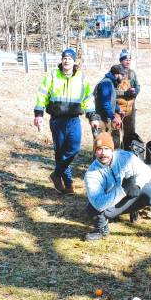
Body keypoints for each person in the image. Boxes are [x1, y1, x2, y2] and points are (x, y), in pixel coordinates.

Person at [83, 132, 151, 242]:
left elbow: (146, 171)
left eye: (106, 149)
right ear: (95, 152)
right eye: (99, 149)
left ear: (112, 149)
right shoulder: (91, 173)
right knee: (92, 207)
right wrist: (122, 190)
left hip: (131, 198)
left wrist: (137, 185)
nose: (103, 153)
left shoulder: (125, 157)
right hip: (110, 206)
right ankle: (101, 230)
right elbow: (99, 204)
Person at [34, 48, 100, 195]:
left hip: (73, 119)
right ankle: (68, 183)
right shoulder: (52, 76)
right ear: (61, 60)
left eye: (70, 58)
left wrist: (93, 116)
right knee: (60, 152)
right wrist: (39, 114)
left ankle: (56, 174)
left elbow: (88, 99)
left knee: (74, 148)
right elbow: (42, 95)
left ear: (74, 61)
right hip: (57, 120)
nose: (66, 60)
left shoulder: (81, 78)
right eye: (64, 58)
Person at [94, 64, 125, 148]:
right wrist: (113, 116)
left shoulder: (110, 83)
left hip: (105, 117)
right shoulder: (106, 83)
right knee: (101, 144)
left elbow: (112, 100)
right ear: (117, 74)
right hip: (101, 119)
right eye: (122, 76)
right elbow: (105, 103)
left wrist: (118, 110)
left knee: (106, 143)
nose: (123, 78)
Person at [116, 49, 141, 149]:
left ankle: (127, 152)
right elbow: (111, 91)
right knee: (115, 133)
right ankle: (115, 154)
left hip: (130, 108)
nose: (128, 61)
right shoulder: (115, 72)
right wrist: (124, 93)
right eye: (125, 59)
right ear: (121, 60)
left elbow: (138, 86)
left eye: (129, 59)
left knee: (130, 133)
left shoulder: (132, 73)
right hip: (117, 109)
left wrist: (136, 92)